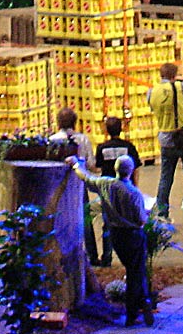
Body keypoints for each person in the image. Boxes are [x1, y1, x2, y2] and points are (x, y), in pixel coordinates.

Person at [66, 154, 153, 327]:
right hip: (133, 234)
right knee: (136, 273)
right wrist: (148, 212)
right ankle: (134, 311)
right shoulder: (133, 193)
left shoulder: (106, 184)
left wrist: (76, 165)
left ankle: (144, 305)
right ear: (131, 171)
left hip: (116, 233)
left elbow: (87, 178)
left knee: (134, 271)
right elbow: (141, 219)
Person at [147, 62, 183, 221]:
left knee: (166, 178)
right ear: (174, 75)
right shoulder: (180, 87)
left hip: (165, 138)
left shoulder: (152, 91)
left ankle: (162, 213)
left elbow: (152, 107)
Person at [50, 107, 99, 265]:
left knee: (59, 218)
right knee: (84, 217)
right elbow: (91, 163)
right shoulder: (83, 139)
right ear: (75, 122)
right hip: (79, 183)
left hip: (58, 185)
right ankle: (92, 255)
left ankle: (59, 254)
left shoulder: (52, 140)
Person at [95, 116, 142, 267]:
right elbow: (135, 168)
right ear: (121, 129)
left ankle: (107, 256)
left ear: (106, 130)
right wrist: (135, 186)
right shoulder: (128, 147)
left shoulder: (102, 148)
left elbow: (99, 167)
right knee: (129, 220)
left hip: (108, 190)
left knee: (108, 221)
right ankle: (130, 253)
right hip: (126, 188)